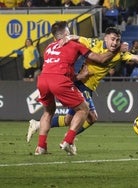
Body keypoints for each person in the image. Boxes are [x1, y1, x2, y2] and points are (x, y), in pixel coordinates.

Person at [27, 27, 138, 152]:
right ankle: (68, 140)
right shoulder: (94, 43)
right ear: (106, 38)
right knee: (91, 116)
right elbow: (77, 37)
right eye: (112, 39)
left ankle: (39, 125)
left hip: (88, 87)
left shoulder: (121, 53)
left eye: (117, 40)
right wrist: (67, 37)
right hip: (81, 84)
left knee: (69, 119)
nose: (114, 43)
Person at [34, 21, 120, 155]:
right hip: (59, 80)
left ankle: (41, 147)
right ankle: (68, 141)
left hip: (43, 79)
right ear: (65, 34)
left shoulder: (49, 47)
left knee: (48, 112)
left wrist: (78, 76)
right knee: (83, 109)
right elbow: (100, 59)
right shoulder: (74, 44)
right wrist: (118, 50)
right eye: (69, 32)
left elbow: (56, 66)